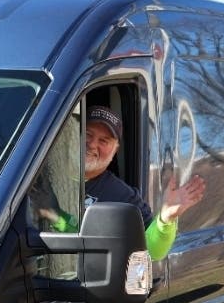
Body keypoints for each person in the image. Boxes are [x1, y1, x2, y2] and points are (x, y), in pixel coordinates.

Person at [35, 105, 206, 260]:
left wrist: (166, 219)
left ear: (115, 149)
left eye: (104, 141)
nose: (92, 144)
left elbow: (150, 252)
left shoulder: (122, 197)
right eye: (87, 134)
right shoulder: (40, 169)